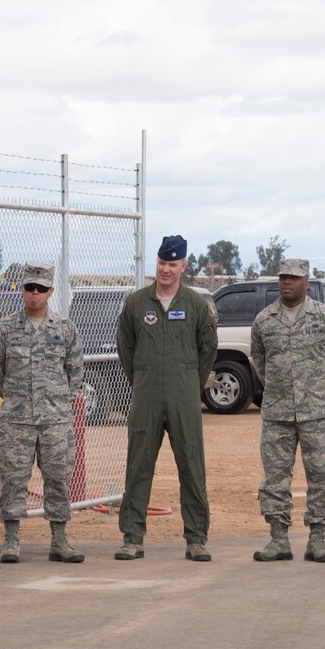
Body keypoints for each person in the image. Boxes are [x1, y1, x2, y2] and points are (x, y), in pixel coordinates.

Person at [114, 235, 217, 560]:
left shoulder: (197, 305)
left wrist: (189, 382)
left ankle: (196, 538)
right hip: (145, 395)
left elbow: (208, 350)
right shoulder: (136, 303)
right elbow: (125, 348)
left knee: (191, 464)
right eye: (161, 263)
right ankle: (132, 537)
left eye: (172, 264)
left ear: (183, 266)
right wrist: (143, 376)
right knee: (138, 465)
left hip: (184, 396)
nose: (165, 269)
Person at [0, 266, 86, 563]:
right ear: (22, 289)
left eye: (42, 288)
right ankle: (12, 540)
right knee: (14, 478)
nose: (36, 293)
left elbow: (74, 370)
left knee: (57, 477)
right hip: (17, 418)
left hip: (55, 419)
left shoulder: (65, 329)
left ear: (51, 291)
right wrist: (12, 395)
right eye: (30, 287)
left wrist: (60, 400)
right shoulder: (5, 329)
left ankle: (59, 540)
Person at [248, 258, 325, 562]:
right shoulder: (264, 320)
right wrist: (280, 389)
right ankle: (278, 538)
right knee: (275, 478)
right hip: (277, 414)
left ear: (307, 282)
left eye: (293, 278)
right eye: (282, 278)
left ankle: (317, 539)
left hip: (317, 412)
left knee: (321, 477)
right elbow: (260, 360)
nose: (286, 283)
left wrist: (317, 389)